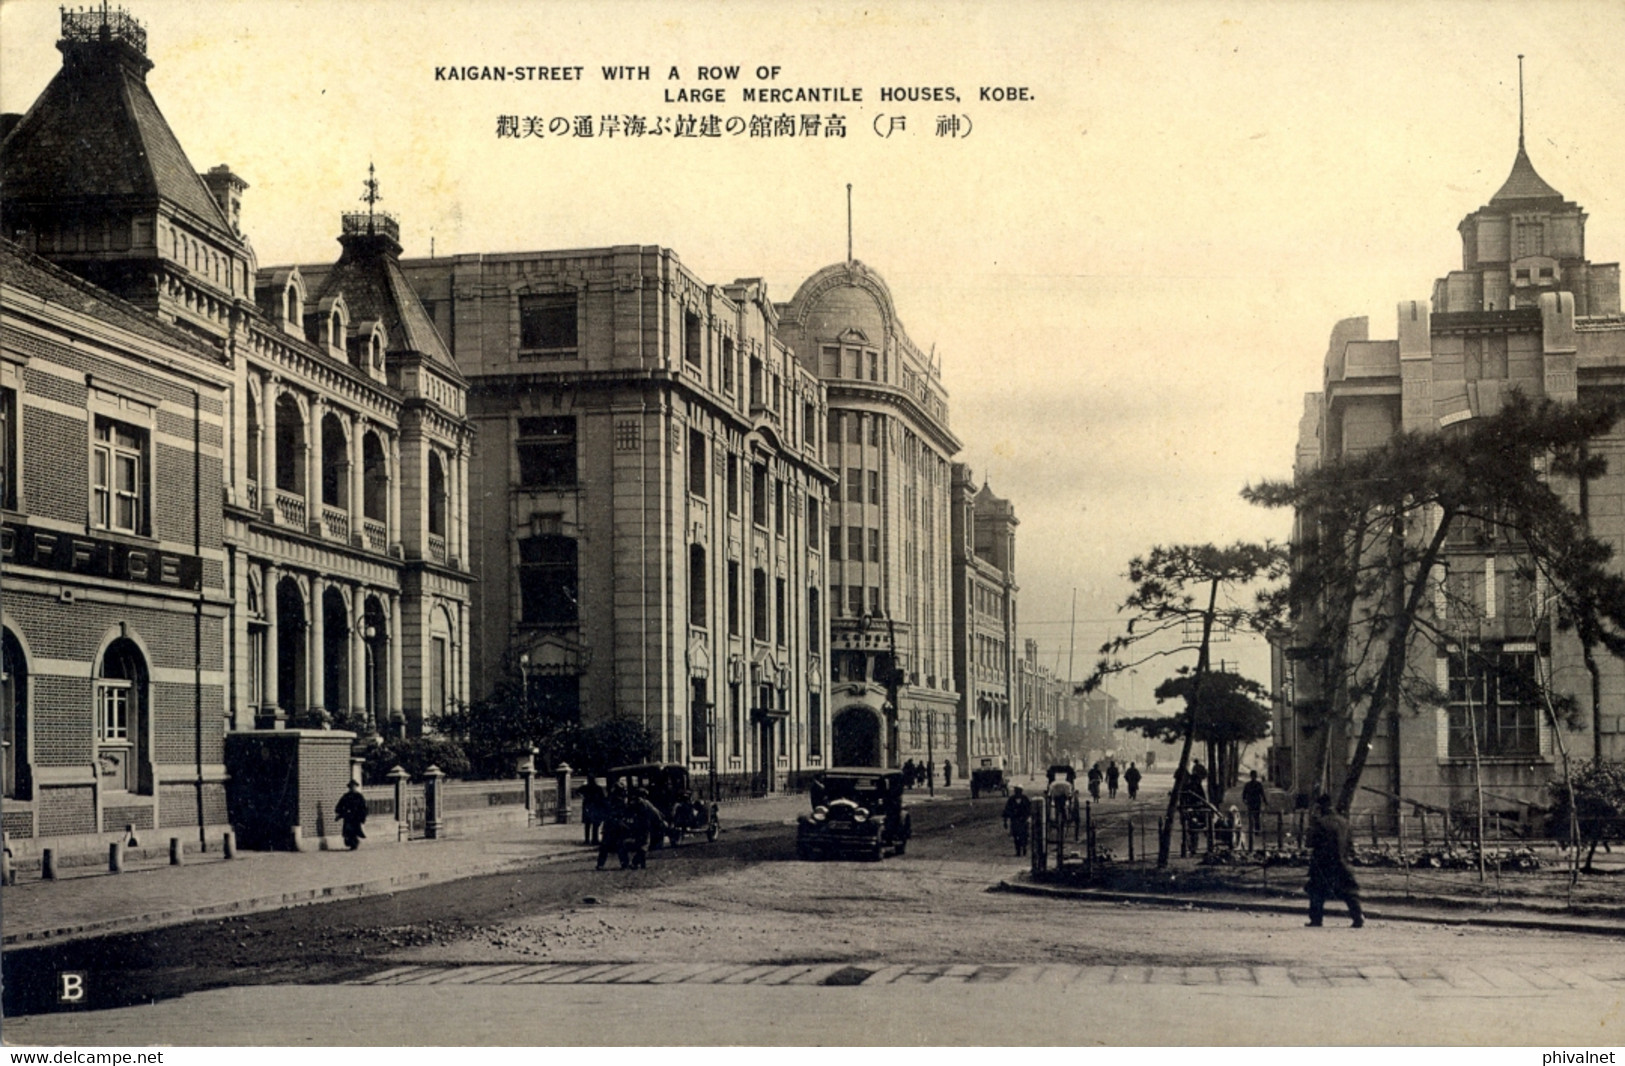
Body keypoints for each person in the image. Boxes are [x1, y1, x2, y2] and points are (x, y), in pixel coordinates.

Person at [1304, 794, 1364, 928]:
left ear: (1320, 807)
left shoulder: (1320, 823)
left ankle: (1316, 919)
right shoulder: (1344, 822)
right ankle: (1357, 917)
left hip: (1322, 863)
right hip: (1342, 862)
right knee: (1349, 891)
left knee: (1316, 891)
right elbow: (1350, 844)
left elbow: (1309, 843)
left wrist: (1310, 827)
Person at [618, 788, 669, 870]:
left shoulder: (632, 803)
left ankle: (634, 863)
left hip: (634, 825)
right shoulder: (646, 803)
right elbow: (655, 813)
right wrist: (661, 820)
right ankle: (635, 862)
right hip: (644, 826)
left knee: (634, 843)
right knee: (644, 845)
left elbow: (626, 813)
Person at [335, 781, 368, 851]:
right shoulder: (346, 796)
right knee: (347, 831)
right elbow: (339, 806)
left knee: (355, 831)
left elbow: (363, 807)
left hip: (356, 817)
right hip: (348, 817)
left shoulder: (359, 796)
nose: (353, 788)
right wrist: (340, 813)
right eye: (351, 787)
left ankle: (354, 844)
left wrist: (362, 817)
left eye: (354, 787)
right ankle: (350, 843)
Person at [1002, 786, 1033, 856]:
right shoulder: (1011, 800)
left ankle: (1024, 848)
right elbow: (1007, 810)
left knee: (1024, 835)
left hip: (1023, 820)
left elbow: (1029, 809)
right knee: (1016, 836)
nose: (1017, 793)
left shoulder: (1025, 799)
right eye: (1016, 791)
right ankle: (1018, 850)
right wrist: (1005, 821)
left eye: (1019, 791)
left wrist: (1029, 817)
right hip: (1015, 820)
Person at [579, 775, 607, 845]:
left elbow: (578, 791)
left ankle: (587, 840)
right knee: (595, 824)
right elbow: (602, 798)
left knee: (587, 825)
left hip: (588, 807)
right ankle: (594, 840)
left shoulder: (585, 787)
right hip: (595, 807)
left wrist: (583, 796)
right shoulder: (598, 788)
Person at [1241, 770, 1266, 849]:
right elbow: (1262, 794)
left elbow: (1262, 794)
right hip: (1254, 802)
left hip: (1253, 802)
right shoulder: (1257, 784)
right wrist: (1265, 801)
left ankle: (1255, 830)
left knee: (1254, 816)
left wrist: (1245, 800)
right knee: (1255, 816)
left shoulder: (1249, 785)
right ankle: (1256, 830)